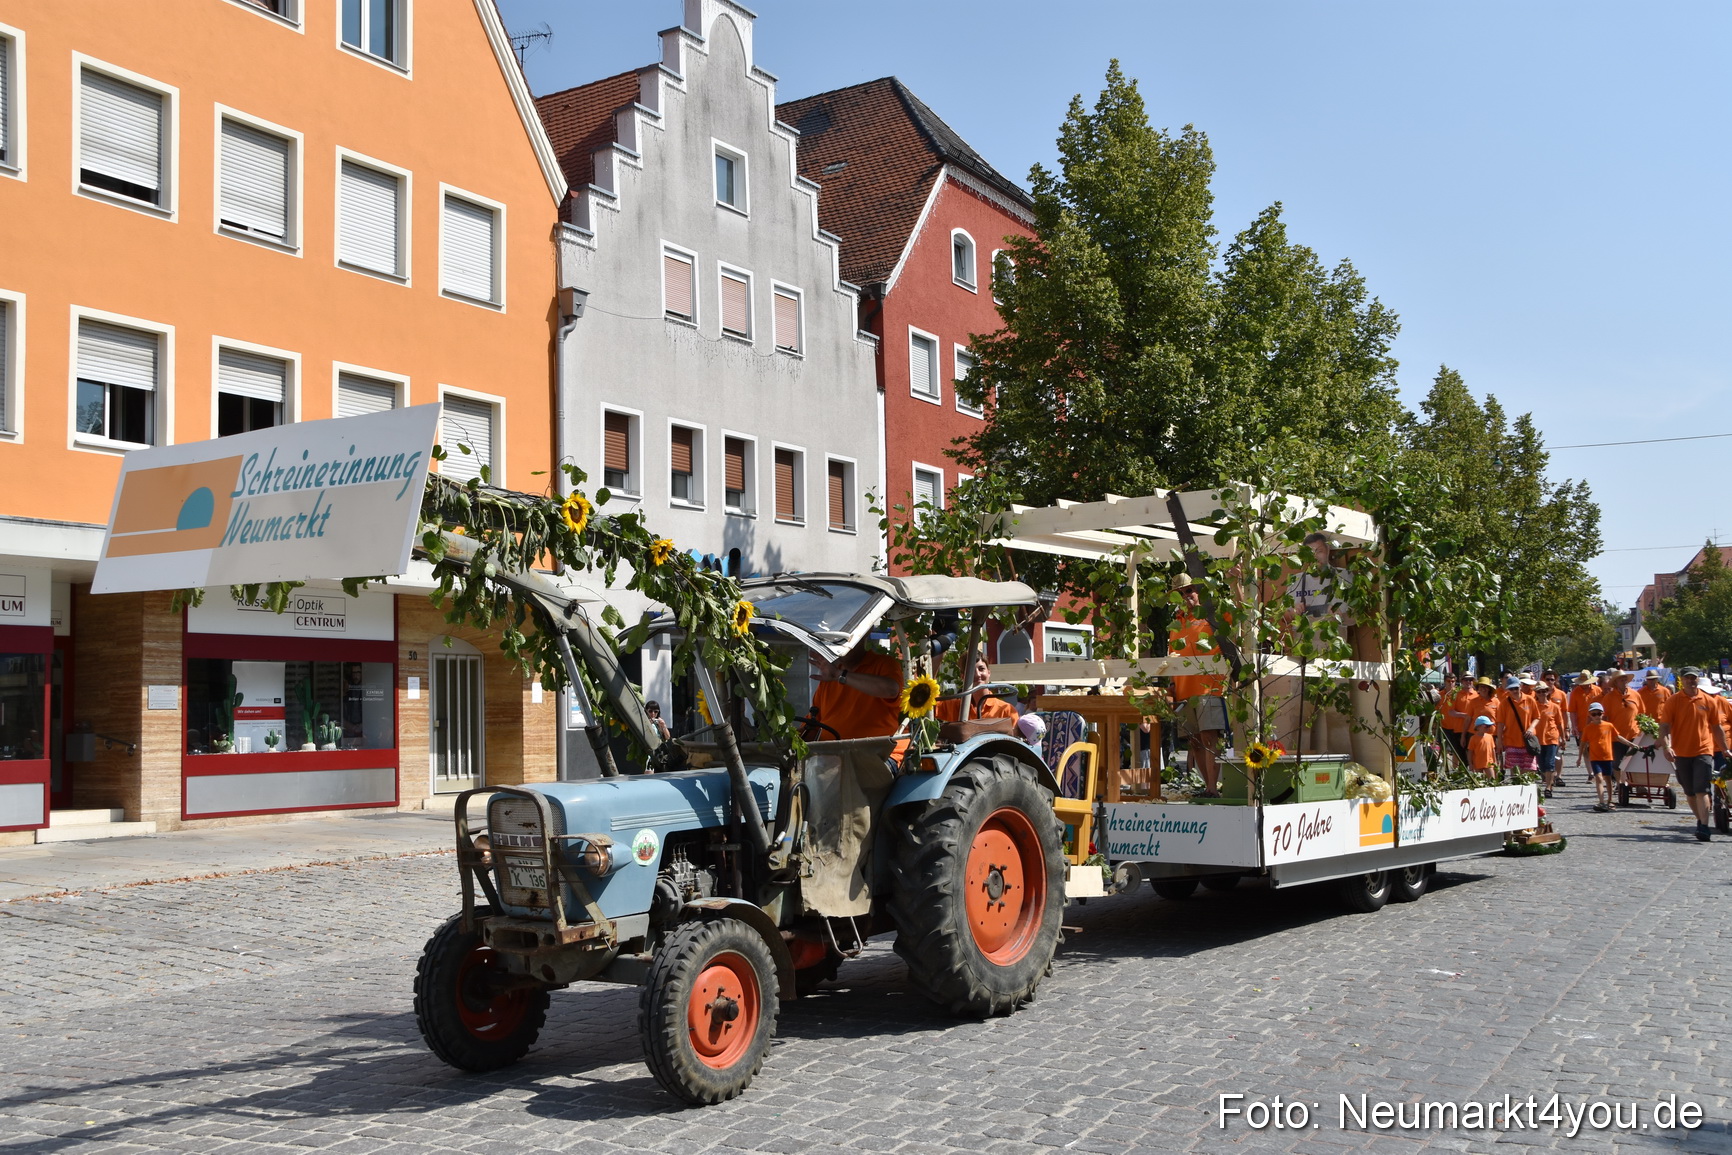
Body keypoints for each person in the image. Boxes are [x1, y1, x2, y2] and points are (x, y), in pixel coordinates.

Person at [1169, 573, 1227, 797]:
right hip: (1183, 691)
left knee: (1210, 738)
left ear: (1199, 591)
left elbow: (1240, 613)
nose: (1185, 596)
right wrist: (1172, 687)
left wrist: (1237, 583)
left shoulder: (1211, 615)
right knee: (1194, 742)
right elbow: (1172, 656)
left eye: (1189, 590)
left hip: (1209, 688)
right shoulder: (1176, 623)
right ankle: (1209, 788)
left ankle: (1213, 787)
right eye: (1181, 593)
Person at [1660, 667, 1718, 841]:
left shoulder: (1708, 701)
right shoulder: (1673, 701)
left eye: (1694, 678)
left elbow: (1716, 727)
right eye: (1687, 678)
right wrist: (1666, 746)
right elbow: (1664, 726)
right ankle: (1700, 820)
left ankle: (1704, 826)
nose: (1691, 681)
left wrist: (1725, 749)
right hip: (1681, 752)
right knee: (1690, 793)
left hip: (1703, 750)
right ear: (1682, 680)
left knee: (1702, 790)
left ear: (1698, 680)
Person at [810, 640, 905, 741]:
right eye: (837, 640)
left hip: (875, 753)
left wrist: (840, 675)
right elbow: (813, 726)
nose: (843, 643)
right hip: (829, 753)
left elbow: (891, 690)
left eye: (847, 639)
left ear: (865, 633)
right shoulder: (830, 676)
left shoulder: (884, 664)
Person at [934, 656, 1019, 723]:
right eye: (971, 670)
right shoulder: (955, 706)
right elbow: (931, 703)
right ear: (962, 677)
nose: (978, 674)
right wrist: (939, 654)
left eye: (981, 669)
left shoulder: (1006, 710)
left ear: (989, 673)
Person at [1599, 669, 1642, 796]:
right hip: (1615, 736)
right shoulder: (1609, 698)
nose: (1624, 681)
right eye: (1621, 679)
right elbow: (1605, 717)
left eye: (1625, 679)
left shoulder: (1635, 695)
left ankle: (1638, 785)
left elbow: (1642, 714)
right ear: (1615, 683)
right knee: (1617, 763)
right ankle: (1619, 784)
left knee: (1635, 762)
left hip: (1634, 734)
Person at [1582, 701, 1619, 812]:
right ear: (1590, 715)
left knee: (1608, 779)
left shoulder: (1609, 726)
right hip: (1595, 757)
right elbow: (1583, 743)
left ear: (1602, 714)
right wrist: (1579, 757)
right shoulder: (1588, 728)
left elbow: (1618, 737)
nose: (1597, 716)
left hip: (1607, 757)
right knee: (1598, 778)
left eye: (1599, 713)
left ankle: (1610, 800)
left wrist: (1631, 744)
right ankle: (1601, 801)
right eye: (1594, 714)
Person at [1499, 675, 1539, 776]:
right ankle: (1516, 788)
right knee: (1515, 771)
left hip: (1528, 740)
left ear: (1520, 686)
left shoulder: (1530, 700)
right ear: (1508, 690)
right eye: (1511, 689)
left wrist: (1531, 728)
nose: (1514, 691)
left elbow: (1537, 717)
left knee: (1529, 769)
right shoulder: (1504, 703)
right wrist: (1499, 740)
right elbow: (1500, 723)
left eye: (1516, 688)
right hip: (1511, 741)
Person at [1534, 681, 1566, 797]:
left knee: (1550, 763)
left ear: (1547, 692)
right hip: (1537, 739)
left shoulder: (1554, 707)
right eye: (1539, 692)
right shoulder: (1534, 706)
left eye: (1544, 691)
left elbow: (1559, 723)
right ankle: (1549, 780)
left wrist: (1562, 738)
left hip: (1551, 738)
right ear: (1536, 693)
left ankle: (1548, 787)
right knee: (1541, 765)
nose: (1542, 693)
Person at [1568, 668, 1600, 769]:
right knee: (1585, 749)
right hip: (1582, 726)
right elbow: (1572, 711)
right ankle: (1590, 772)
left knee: (1597, 748)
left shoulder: (1598, 690)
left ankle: (1597, 769)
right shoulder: (1575, 692)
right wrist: (1574, 726)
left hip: (1597, 724)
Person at [1438, 671, 1469, 762]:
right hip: (1443, 727)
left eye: (1453, 681)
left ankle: (1457, 771)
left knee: (1457, 751)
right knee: (1443, 750)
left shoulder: (1459, 693)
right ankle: (1448, 769)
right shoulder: (1440, 695)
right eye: (1448, 681)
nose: (1451, 683)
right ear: (1444, 681)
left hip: (1457, 728)